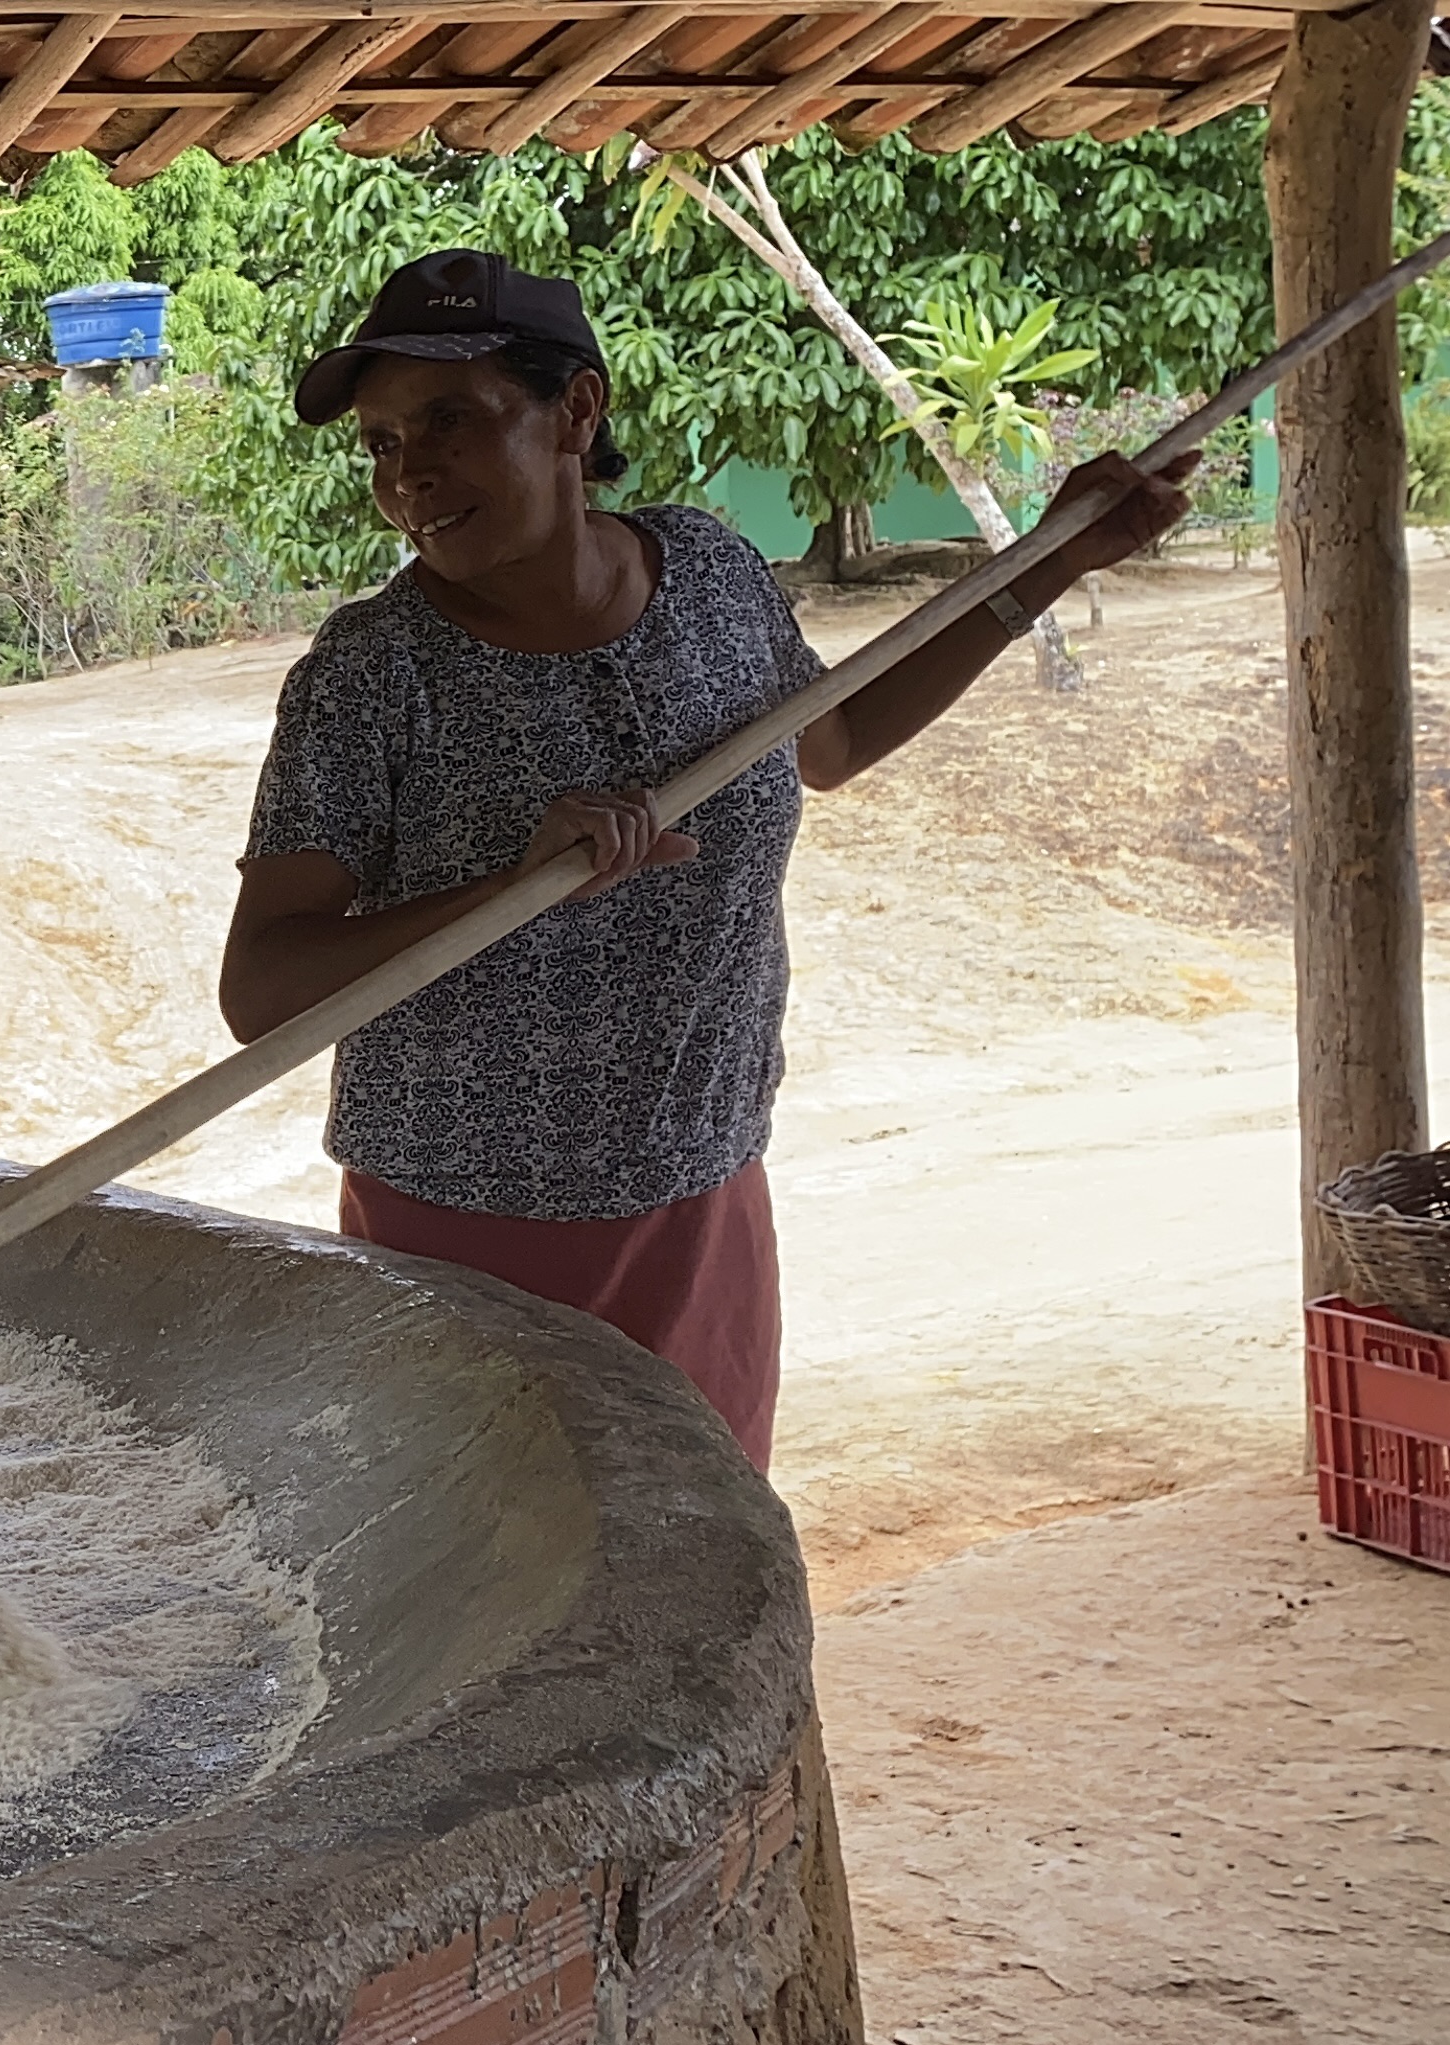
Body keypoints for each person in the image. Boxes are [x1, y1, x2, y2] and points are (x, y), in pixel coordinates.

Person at [219, 249, 1189, 1473]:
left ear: (576, 411)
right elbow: (261, 990)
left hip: (705, 1189)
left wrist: (1052, 555)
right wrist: (513, 887)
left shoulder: (712, 573)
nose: (408, 474)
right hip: (467, 1229)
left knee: (706, 1569)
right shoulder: (368, 676)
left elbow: (827, 741)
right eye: (379, 443)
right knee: (518, 1596)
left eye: (451, 422)